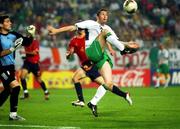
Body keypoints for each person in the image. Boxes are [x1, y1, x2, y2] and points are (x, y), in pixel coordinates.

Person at [48, 8, 137, 110]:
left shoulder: (107, 28)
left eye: (106, 15)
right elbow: (72, 27)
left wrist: (128, 44)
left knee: (107, 83)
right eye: (103, 14)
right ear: (97, 16)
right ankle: (123, 51)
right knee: (105, 32)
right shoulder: (90, 23)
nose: (105, 16)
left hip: (99, 56)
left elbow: (115, 40)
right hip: (90, 51)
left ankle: (118, 96)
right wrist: (56, 30)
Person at [67, 28, 116, 117]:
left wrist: (110, 48)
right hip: (86, 66)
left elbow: (104, 39)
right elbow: (71, 51)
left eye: (82, 28)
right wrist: (69, 54)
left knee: (107, 85)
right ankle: (86, 102)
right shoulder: (73, 41)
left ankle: (89, 102)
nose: (80, 29)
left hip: (92, 64)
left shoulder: (90, 36)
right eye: (79, 28)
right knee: (75, 78)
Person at [0, 14, 32, 120]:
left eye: (10, 21)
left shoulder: (13, 34)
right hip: (1, 67)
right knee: (16, 87)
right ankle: (13, 115)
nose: (10, 23)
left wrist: (31, 35)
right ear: (1, 24)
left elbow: (27, 42)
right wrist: (12, 48)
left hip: (10, 67)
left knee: (8, 90)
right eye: (7, 21)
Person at [19, 25, 50, 100]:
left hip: (35, 63)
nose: (27, 33)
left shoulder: (35, 41)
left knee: (38, 80)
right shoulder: (25, 40)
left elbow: (35, 53)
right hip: (27, 62)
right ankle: (26, 93)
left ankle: (46, 91)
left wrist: (24, 52)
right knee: (22, 76)